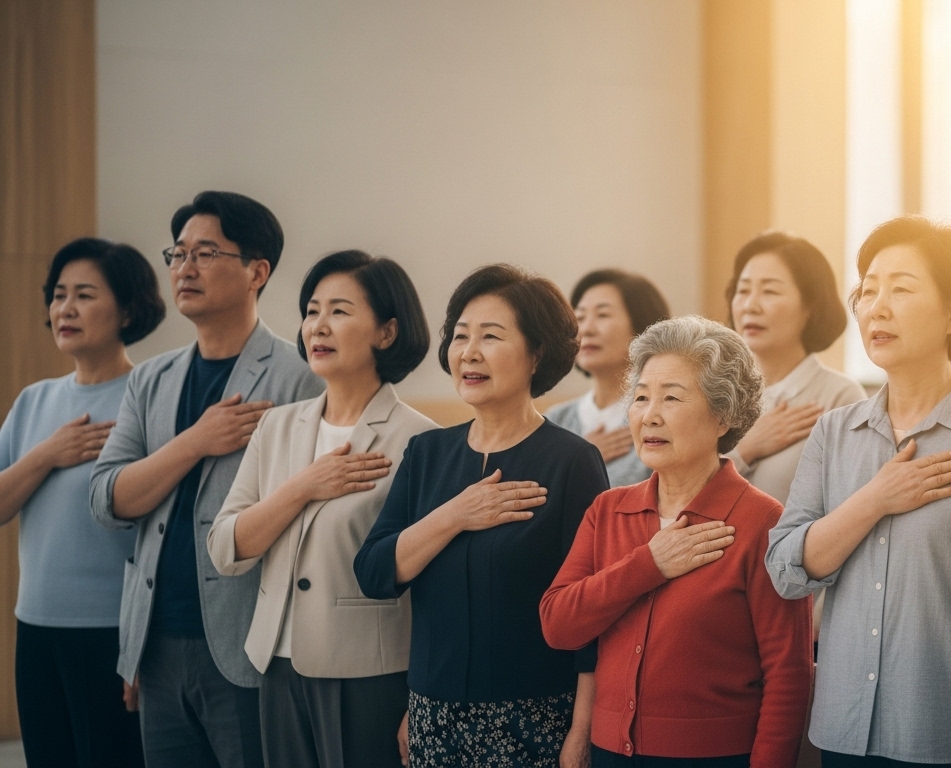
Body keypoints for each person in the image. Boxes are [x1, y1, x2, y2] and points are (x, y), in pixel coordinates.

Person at [768, 216, 951, 768]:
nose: (877, 308)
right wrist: (875, 498)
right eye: (869, 290)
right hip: (842, 734)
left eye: (901, 289)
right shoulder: (834, 431)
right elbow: (786, 570)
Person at [90, 191, 324, 768]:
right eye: (178, 253)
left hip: (251, 647)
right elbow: (107, 498)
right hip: (156, 645)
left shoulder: (300, 377)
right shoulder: (151, 379)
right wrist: (196, 441)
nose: (184, 268)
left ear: (257, 271)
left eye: (205, 253)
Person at [353, 264, 609, 767]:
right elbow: (374, 573)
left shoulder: (572, 461)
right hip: (432, 716)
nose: (468, 352)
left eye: (490, 336)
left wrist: (583, 731)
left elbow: (592, 611)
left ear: (537, 353)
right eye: (460, 336)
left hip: (535, 720)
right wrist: (455, 514)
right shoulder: (427, 453)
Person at [541, 315, 814, 767]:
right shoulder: (607, 511)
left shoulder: (763, 521)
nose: (650, 414)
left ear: (723, 414)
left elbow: (788, 675)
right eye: (641, 397)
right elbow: (558, 625)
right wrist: (648, 564)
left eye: (671, 397)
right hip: (609, 754)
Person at [207, 251, 437, 767]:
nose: (318, 326)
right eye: (312, 311)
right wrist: (303, 487)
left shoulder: (421, 440)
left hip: (370, 674)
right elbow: (225, 548)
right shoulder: (276, 426)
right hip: (276, 665)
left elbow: (434, 593)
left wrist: (420, 697)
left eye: (339, 310)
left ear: (387, 332)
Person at [0, 238, 164, 768]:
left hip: (114, 636)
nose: (64, 308)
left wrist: (142, 649)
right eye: (58, 295)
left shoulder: (150, 397)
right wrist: (48, 454)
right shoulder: (35, 400)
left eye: (84, 295)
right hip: (36, 629)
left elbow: (164, 536)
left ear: (128, 311)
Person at [724, 232, 866, 505]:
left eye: (770, 291)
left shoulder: (840, 398)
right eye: (742, 290)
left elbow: (849, 506)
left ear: (809, 307)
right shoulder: (716, 393)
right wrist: (745, 449)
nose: (750, 306)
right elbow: (681, 494)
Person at [546, 268, 670, 487]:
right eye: (579, 317)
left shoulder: (660, 417)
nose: (586, 329)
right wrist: (578, 460)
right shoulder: (556, 420)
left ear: (642, 327)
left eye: (602, 315)